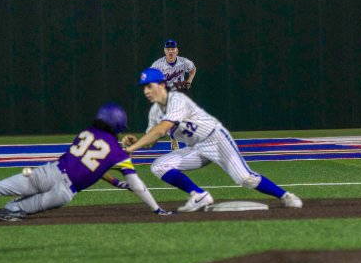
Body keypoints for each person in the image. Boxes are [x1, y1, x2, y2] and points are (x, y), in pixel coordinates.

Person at [0, 103, 173, 222]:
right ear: (119, 125)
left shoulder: (86, 132)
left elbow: (92, 160)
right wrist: (156, 208)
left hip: (49, 172)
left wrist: (119, 158)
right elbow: (132, 182)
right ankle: (14, 208)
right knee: (19, 209)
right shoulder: (117, 153)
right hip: (64, 191)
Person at [123, 67, 302, 213]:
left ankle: (286, 196)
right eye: (143, 88)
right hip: (196, 148)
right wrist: (135, 142)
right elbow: (153, 138)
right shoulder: (154, 111)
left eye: (149, 86)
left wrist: (131, 149)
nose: (146, 91)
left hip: (215, 139)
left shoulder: (177, 99)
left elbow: (161, 129)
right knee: (159, 166)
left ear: (162, 84)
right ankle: (199, 195)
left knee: (245, 178)